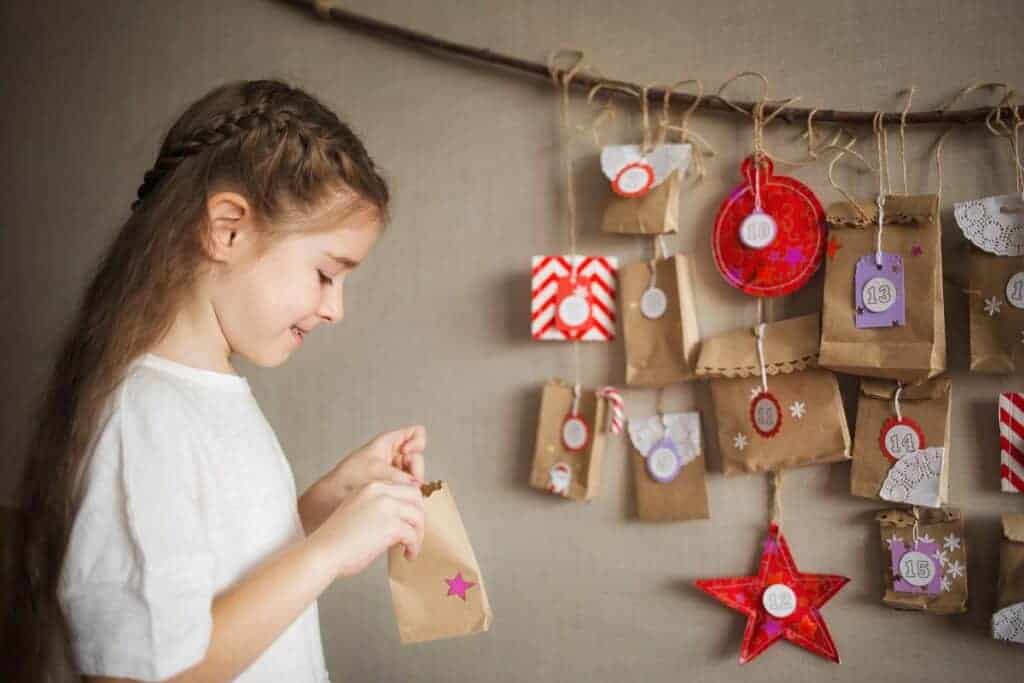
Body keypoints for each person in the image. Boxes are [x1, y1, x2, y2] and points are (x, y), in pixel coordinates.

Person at [6, 79, 427, 682]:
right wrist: (328, 553)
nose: (336, 309)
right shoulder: (142, 418)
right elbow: (149, 673)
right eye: (326, 273)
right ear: (227, 228)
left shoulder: (208, 394)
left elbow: (222, 577)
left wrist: (321, 510)